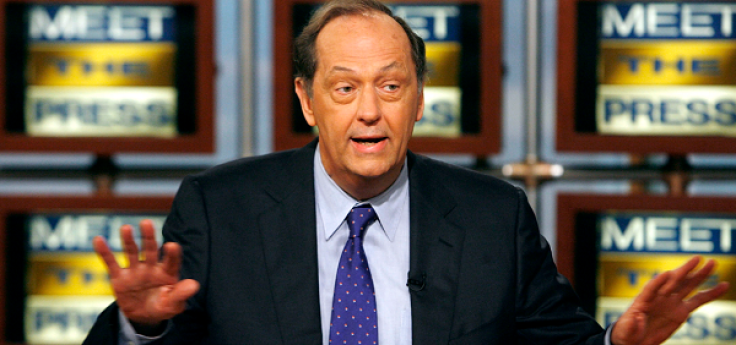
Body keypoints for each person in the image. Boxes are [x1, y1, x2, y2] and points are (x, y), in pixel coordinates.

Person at [84, 0, 729, 344]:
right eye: (344, 89)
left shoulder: (492, 218)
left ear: (419, 100)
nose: (370, 111)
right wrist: (142, 326)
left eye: (392, 86)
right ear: (306, 100)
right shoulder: (219, 208)